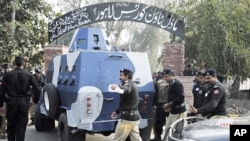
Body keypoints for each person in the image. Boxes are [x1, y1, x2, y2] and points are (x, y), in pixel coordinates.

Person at [0, 56, 41, 141]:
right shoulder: (29, 75)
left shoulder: (8, 75)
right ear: (24, 64)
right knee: (21, 128)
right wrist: (35, 100)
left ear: (15, 63)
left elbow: (2, 90)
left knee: (10, 126)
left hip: (11, 102)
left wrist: (1, 103)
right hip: (23, 102)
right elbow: (37, 89)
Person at [110, 68, 142, 141]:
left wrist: (118, 87)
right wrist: (117, 111)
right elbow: (126, 103)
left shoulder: (128, 84)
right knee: (136, 139)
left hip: (126, 121)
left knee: (117, 139)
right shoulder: (132, 84)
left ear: (127, 76)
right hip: (134, 119)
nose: (119, 77)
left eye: (121, 75)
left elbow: (126, 89)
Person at [162, 68, 187, 134]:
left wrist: (169, 104)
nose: (165, 78)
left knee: (175, 131)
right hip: (173, 110)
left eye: (166, 77)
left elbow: (181, 97)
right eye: (164, 77)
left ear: (171, 75)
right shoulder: (171, 83)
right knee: (168, 129)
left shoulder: (177, 83)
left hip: (179, 111)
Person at [151, 71, 169, 141]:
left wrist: (154, 104)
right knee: (170, 122)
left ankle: (158, 137)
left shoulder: (157, 82)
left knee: (159, 122)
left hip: (160, 104)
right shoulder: (171, 82)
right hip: (169, 104)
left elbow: (155, 94)